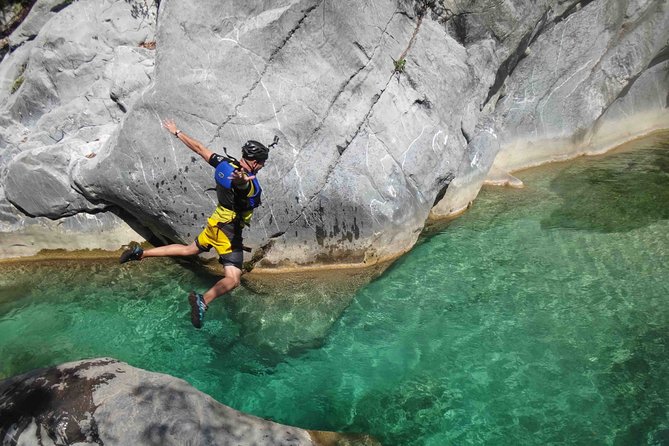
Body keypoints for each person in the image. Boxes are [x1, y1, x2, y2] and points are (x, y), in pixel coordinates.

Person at [119, 118, 273, 329]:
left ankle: (140, 253)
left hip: (215, 222)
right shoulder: (250, 184)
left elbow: (200, 149)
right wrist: (240, 181)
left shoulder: (225, 164)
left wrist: (177, 132)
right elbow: (241, 187)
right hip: (228, 231)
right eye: (262, 162)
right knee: (233, 279)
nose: (263, 165)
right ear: (255, 162)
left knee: (189, 250)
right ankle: (204, 301)